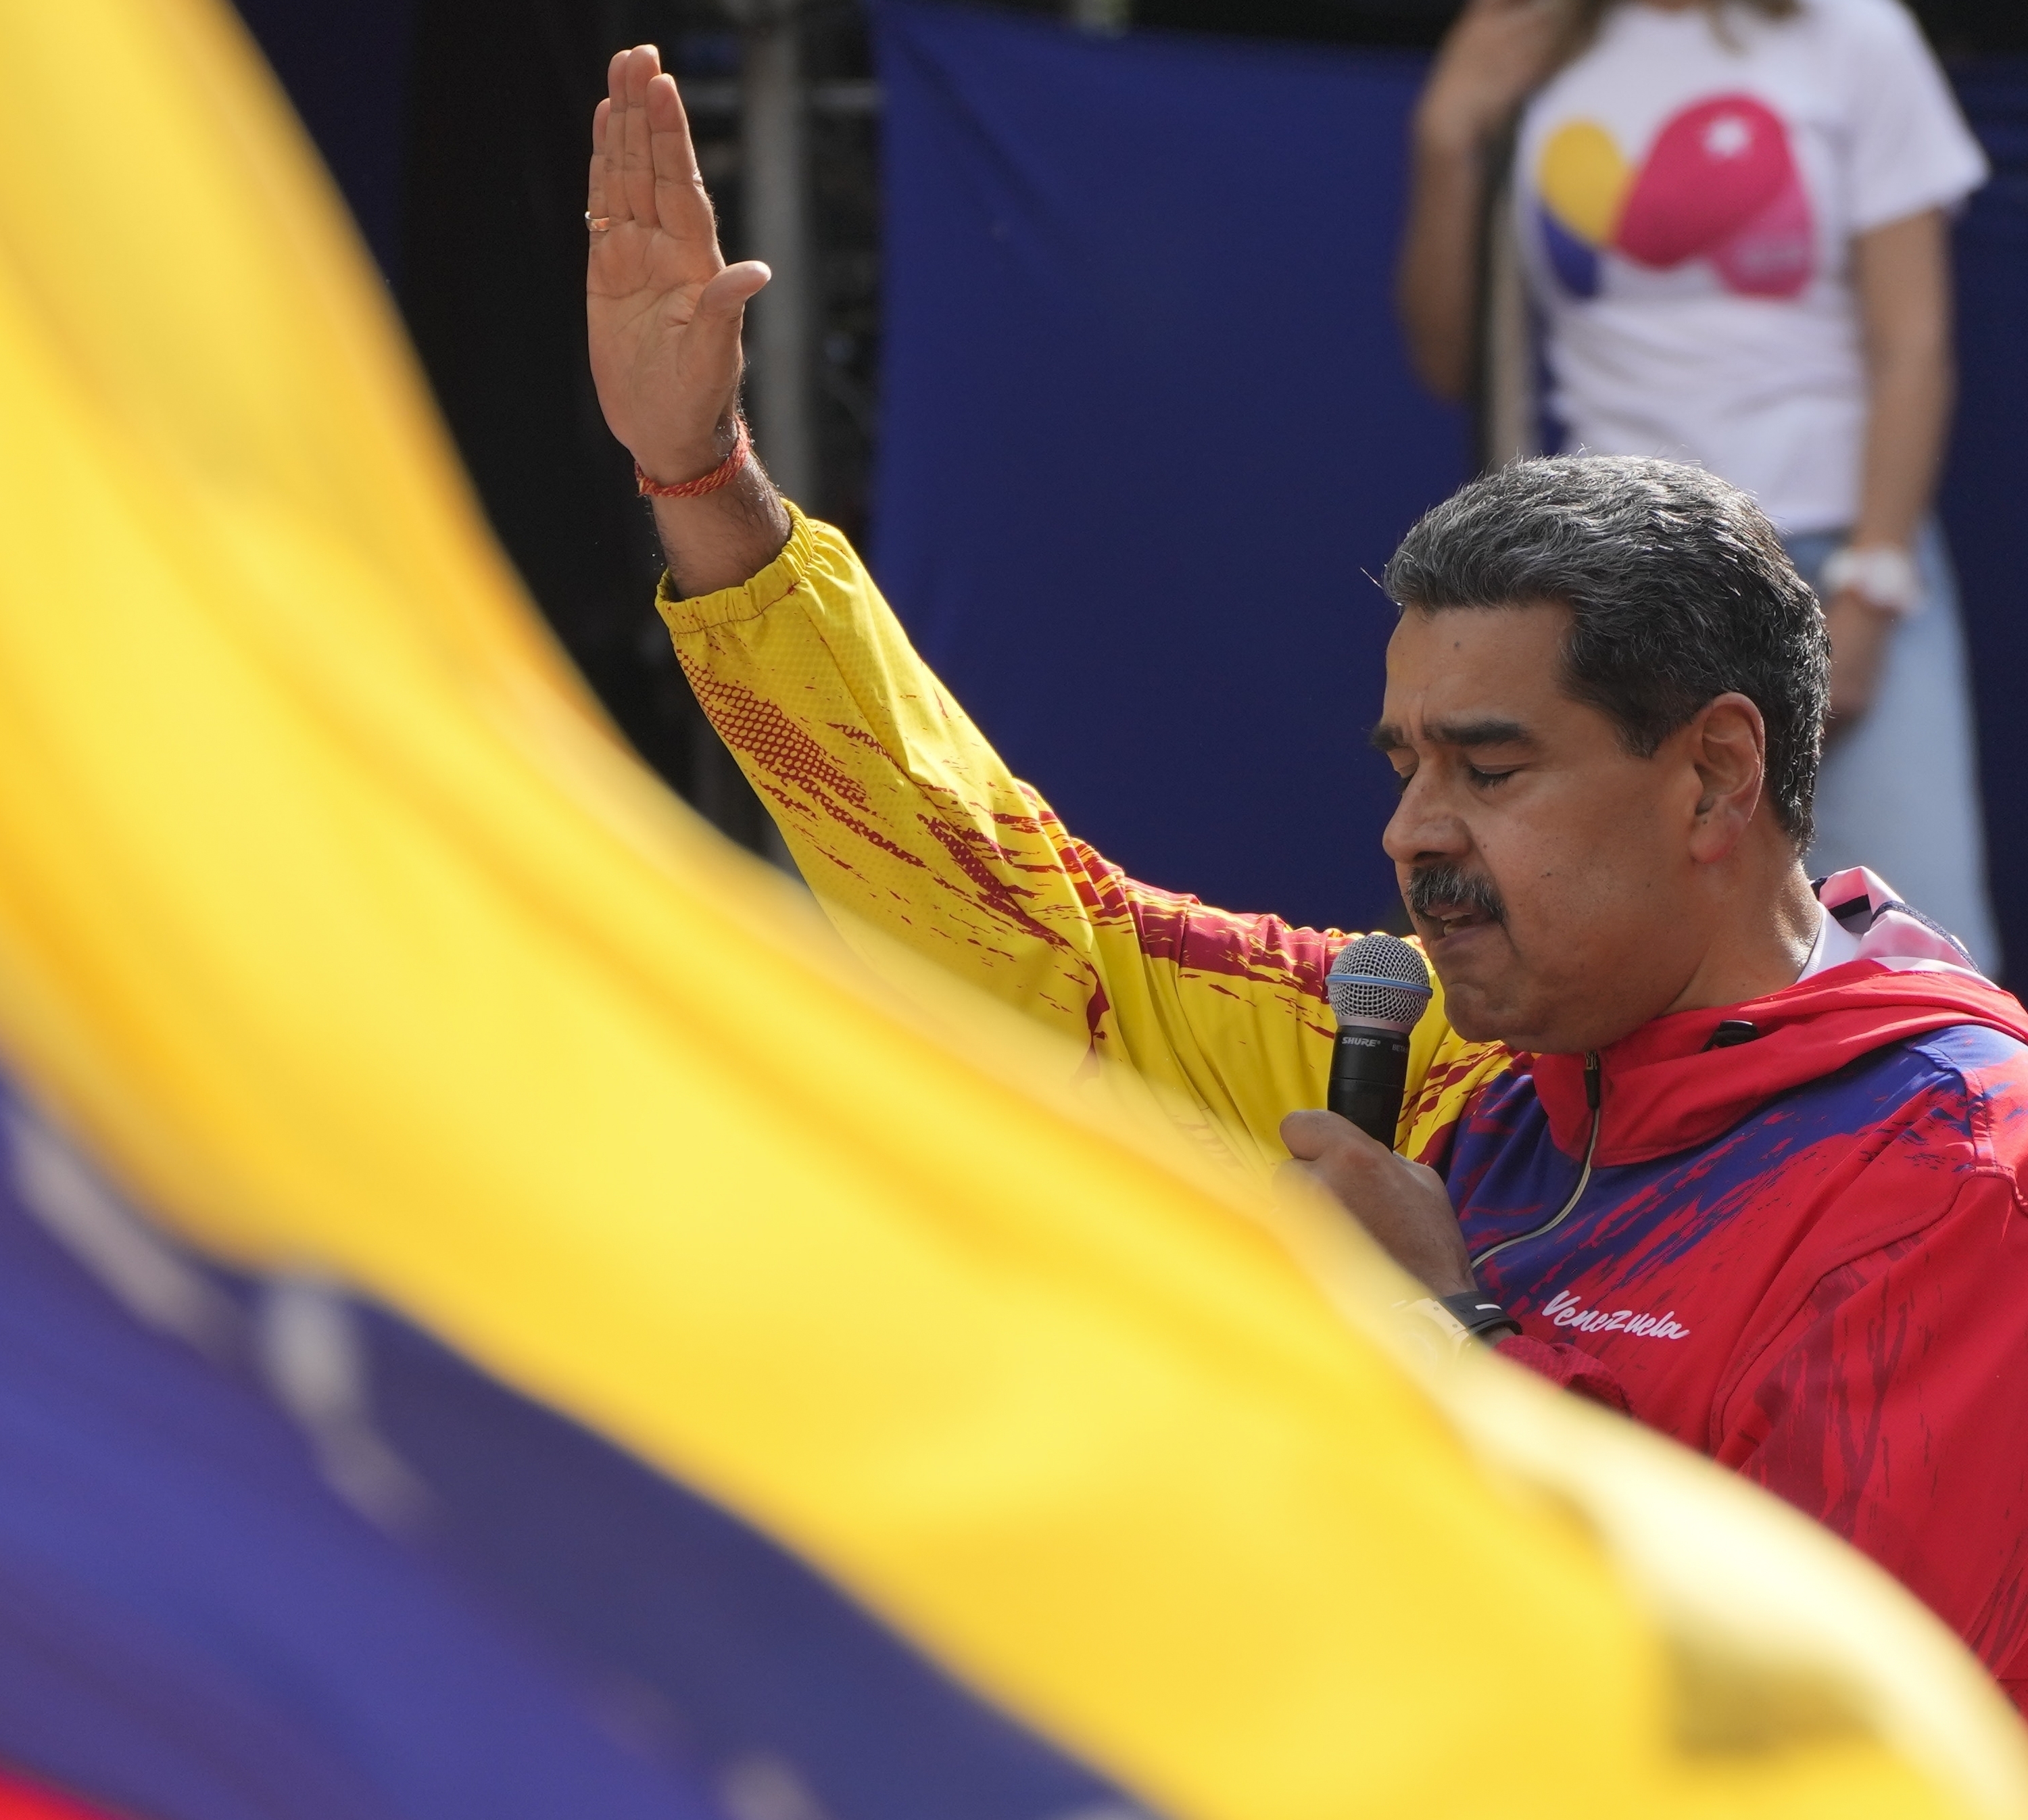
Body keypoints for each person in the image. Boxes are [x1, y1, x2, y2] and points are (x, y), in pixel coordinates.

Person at [585, 45, 2028, 1704]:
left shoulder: (1945, 1176)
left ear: (1710, 775)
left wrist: (1439, 1344)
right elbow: (1042, 937)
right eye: (1403, 766)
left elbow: (1837, 1746)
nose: (1415, 832)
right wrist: (705, 486)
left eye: (1489, 768)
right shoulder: (1425, 1061)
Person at [1398, 0, 2000, 970]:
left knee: (1921, 966)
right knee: (1599, 954)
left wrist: (1873, 590)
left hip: (1831, 555)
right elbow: (1449, 355)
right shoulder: (1536, 38)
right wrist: (1446, 137)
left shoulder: (1850, 31)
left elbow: (1914, 344)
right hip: (1611, 586)